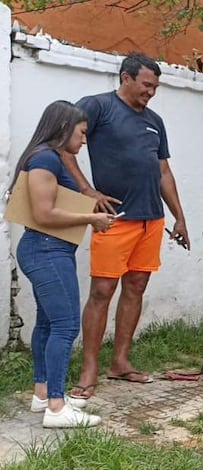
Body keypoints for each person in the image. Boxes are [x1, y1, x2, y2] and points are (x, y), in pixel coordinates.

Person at [61, 52, 190, 400]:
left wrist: (179, 216)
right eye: (147, 85)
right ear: (126, 77)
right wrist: (88, 191)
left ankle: (120, 361)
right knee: (102, 292)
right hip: (115, 219)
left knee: (135, 288)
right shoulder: (98, 106)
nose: (151, 92)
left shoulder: (154, 121)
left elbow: (163, 171)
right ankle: (89, 368)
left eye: (155, 87)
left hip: (151, 220)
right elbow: (63, 143)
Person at [12, 101, 115, 427]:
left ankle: (43, 394)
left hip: (50, 250)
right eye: (82, 133)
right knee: (66, 325)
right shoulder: (44, 157)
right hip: (46, 250)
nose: (84, 140)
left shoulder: (48, 157)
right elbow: (44, 214)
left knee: (47, 323)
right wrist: (91, 217)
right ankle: (57, 407)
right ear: (63, 128)